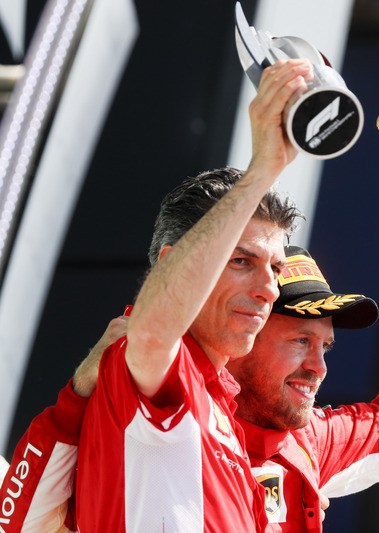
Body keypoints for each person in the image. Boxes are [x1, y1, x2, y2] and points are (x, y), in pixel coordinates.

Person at [1, 230, 379, 532]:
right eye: (300, 341)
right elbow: (17, 520)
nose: (319, 367)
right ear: (243, 331)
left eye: (325, 347)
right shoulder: (149, 406)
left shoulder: (304, 443)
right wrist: (80, 396)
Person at [1, 57, 311, 533]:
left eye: (275, 268)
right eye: (241, 261)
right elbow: (151, 333)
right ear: (170, 263)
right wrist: (263, 169)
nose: (269, 287)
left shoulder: (224, 404)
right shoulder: (154, 362)